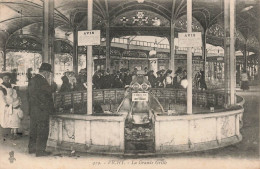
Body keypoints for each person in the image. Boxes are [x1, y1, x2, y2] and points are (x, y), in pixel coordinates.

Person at [28, 63, 54, 157]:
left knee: (33, 129)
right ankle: (40, 151)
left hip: (33, 109)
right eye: (49, 73)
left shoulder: (33, 79)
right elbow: (47, 93)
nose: (49, 75)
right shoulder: (42, 80)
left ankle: (32, 149)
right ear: (46, 72)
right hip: (42, 110)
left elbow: (31, 95)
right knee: (43, 130)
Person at [0, 72, 23, 139]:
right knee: (5, 117)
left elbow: (16, 95)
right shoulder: (1, 87)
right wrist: (6, 104)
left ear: (9, 79)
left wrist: (17, 102)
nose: (6, 79)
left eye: (8, 78)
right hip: (5, 103)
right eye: (5, 78)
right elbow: (1, 97)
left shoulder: (12, 86)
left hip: (13, 102)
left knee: (14, 117)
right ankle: (5, 132)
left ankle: (14, 132)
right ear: (2, 79)